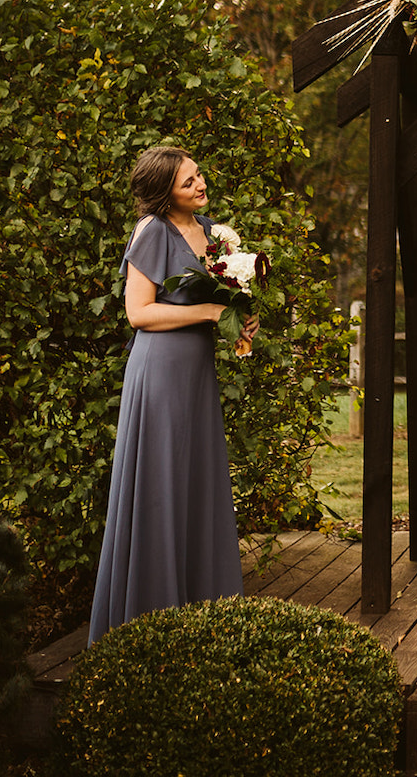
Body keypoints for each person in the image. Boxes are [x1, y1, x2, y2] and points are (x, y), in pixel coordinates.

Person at [89, 146, 255, 643]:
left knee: (196, 482)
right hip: (159, 374)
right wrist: (207, 316)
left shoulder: (214, 233)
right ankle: (148, 619)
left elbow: (225, 297)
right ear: (164, 193)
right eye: (188, 182)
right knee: (160, 482)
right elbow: (139, 313)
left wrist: (240, 318)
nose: (200, 185)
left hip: (197, 374)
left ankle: (202, 618)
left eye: (199, 175)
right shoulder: (152, 231)